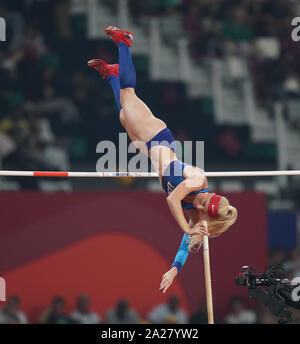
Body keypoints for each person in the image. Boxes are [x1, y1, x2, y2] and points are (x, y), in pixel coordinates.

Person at [88, 26, 238, 292]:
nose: (202, 201)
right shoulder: (197, 180)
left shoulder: (195, 212)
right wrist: (189, 227)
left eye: (203, 205)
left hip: (147, 149)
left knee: (124, 114)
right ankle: (124, 42)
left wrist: (174, 268)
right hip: (158, 138)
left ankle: (112, 75)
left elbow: (184, 244)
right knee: (128, 95)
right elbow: (172, 199)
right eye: (206, 199)